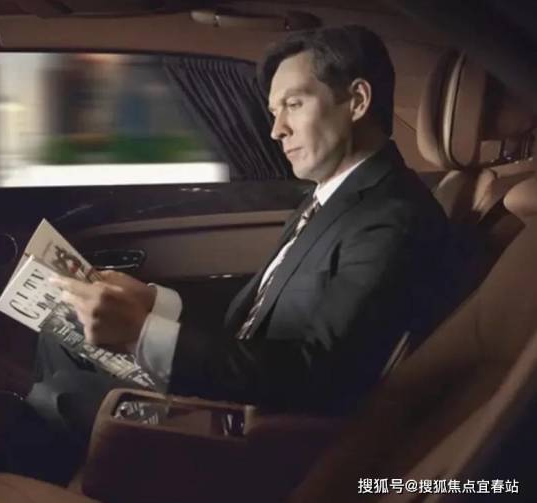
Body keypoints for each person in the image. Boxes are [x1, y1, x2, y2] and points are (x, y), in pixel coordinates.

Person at [28, 25, 456, 433]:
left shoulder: (394, 216)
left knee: (59, 396)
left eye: (294, 104)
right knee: (60, 338)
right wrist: (154, 302)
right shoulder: (330, 197)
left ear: (358, 101)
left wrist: (141, 332)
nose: (276, 130)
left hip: (254, 428)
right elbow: (256, 316)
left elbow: (317, 373)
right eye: (274, 112)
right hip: (238, 385)